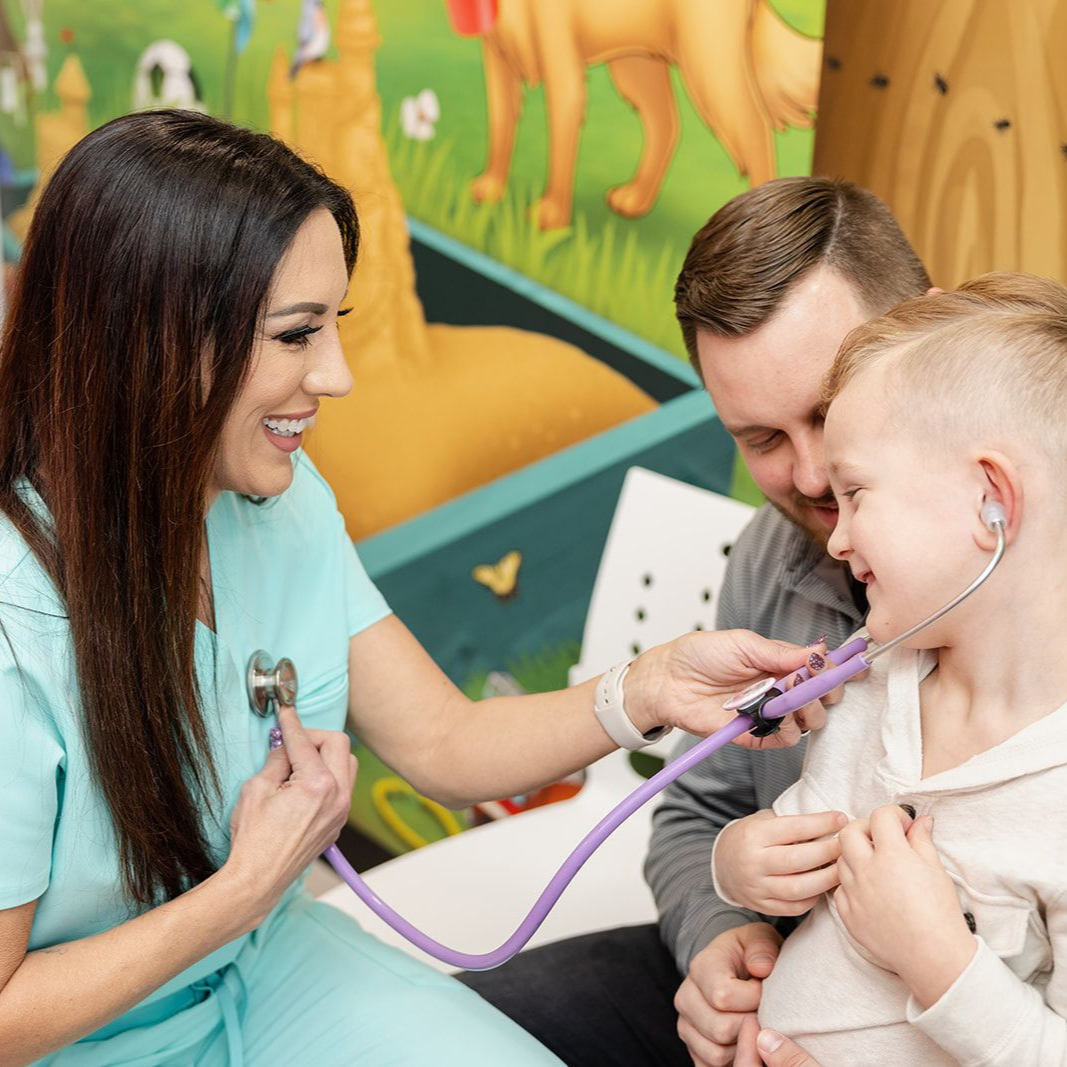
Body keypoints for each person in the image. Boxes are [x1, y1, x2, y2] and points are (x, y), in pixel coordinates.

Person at [0, 111, 824, 1066]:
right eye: (297, 334)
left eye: (334, 326)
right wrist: (250, 882)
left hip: (257, 965)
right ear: (152, 341)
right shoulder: (18, 625)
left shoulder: (283, 505)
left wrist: (646, 687)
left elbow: (442, 739)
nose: (337, 375)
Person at [459, 177, 931, 1066]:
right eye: (759, 439)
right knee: (429, 1031)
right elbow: (694, 810)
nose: (813, 477)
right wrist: (716, 937)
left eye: (831, 411)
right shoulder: (772, 558)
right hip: (774, 994)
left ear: (933, 333)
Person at [718, 277, 1067, 1064]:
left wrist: (936, 955)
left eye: (854, 493)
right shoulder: (878, 687)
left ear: (991, 503)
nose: (834, 539)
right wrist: (739, 863)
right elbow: (793, 840)